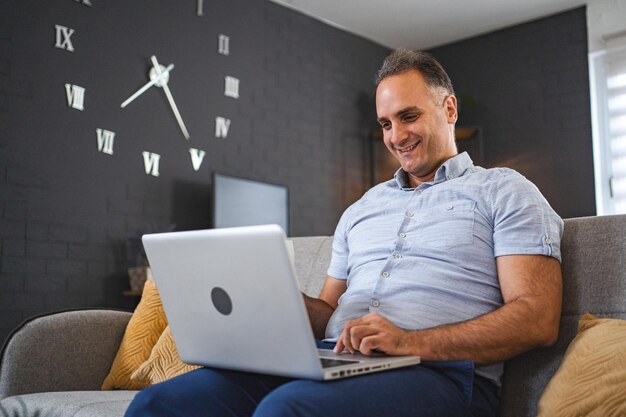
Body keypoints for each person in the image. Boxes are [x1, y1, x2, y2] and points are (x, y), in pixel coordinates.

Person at [125, 49, 563, 417]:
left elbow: (537, 318)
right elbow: (329, 310)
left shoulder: (504, 190)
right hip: (333, 359)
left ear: (449, 109)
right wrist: (275, 302)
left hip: (441, 376)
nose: (396, 136)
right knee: (159, 404)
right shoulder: (361, 208)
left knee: (287, 409)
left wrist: (409, 342)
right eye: (386, 123)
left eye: (408, 116)